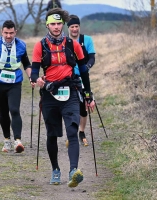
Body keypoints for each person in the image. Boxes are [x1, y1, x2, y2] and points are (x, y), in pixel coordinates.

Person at [30, 8, 95, 187]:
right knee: (52, 135)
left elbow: (83, 71)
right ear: (47, 25)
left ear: (63, 25)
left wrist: (88, 95)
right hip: (50, 94)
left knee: (72, 131)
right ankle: (55, 170)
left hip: (71, 91)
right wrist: (38, 80)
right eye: (53, 24)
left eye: (59, 23)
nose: (57, 27)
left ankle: (73, 171)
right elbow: (34, 72)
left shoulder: (72, 45)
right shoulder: (40, 45)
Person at [0, 20, 32, 153]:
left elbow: (26, 64)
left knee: (14, 109)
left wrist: (32, 78)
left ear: (15, 32)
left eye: (11, 33)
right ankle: (7, 140)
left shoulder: (21, 45)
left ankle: (18, 141)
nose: (8, 36)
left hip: (15, 82)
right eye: (6, 33)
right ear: (1, 32)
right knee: (4, 112)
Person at [67, 14, 96, 146]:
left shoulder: (87, 40)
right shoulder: (65, 41)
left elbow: (91, 57)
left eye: (76, 26)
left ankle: (82, 132)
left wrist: (86, 67)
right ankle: (71, 132)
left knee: (83, 105)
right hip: (68, 77)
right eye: (72, 26)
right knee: (70, 105)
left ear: (79, 27)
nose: (74, 29)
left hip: (83, 76)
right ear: (68, 28)